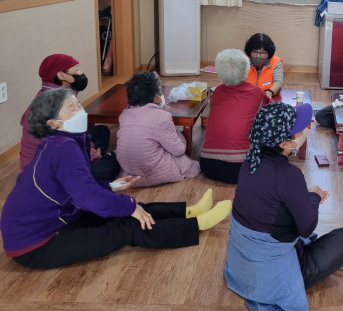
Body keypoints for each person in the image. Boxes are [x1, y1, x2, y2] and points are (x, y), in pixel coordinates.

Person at [0, 88, 232, 269]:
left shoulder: (58, 142)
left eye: (78, 104)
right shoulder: (63, 148)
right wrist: (128, 205)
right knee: (126, 227)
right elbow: (86, 197)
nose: (80, 111)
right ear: (53, 123)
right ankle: (196, 226)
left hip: (59, 217)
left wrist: (110, 186)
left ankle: (189, 212)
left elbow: (75, 188)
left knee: (134, 209)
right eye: (72, 109)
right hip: (37, 245)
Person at [224, 102, 343, 310]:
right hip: (275, 272)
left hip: (241, 264)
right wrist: (314, 197)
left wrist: (305, 197)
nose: (306, 129)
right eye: (300, 129)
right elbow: (307, 227)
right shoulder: (289, 175)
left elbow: (272, 203)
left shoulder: (250, 161)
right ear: (285, 143)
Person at [19, 53, 119, 181]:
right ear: (61, 76)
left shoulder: (53, 93)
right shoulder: (57, 104)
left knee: (101, 131)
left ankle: (95, 163)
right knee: (111, 166)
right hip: (46, 171)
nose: (81, 73)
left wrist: (88, 148)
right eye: (77, 70)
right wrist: (91, 155)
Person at [115, 71, 200, 187]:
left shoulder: (125, 114)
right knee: (184, 158)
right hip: (152, 172)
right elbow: (178, 150)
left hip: (128, 172)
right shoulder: (162, 116)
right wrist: (181, 136)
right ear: (156, 97)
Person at [201, 49, 271, 184]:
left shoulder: (216, 93)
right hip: (242, 168)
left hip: (208, 165)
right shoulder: (258, 93)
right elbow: (272, 114)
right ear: (246, 70)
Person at [244, 33, 283, 98]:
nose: (258, 56)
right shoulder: (243, 61)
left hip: (267, 94)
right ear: (249, 51)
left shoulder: (276, 61)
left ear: (269, 53)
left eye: (263, 53)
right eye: (255, 52)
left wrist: (269, 93)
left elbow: (278, 82)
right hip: (246, 95)